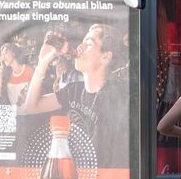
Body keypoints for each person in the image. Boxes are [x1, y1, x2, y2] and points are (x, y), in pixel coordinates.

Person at [22, 23, 130, 168]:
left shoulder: (115, 98)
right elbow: (31, 107)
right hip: (73, 176)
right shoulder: (73, 91)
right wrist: (42, 63)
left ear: (105, 57)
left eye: (89, 44)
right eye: (82, 42)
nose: (80, 47)